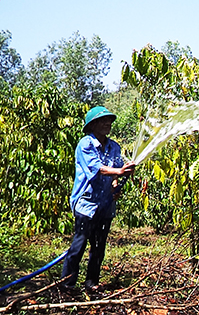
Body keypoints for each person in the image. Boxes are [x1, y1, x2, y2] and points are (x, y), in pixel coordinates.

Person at [61, 106, 135, 292]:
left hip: (105, 204)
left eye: (109, 121)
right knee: (79, 243)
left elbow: (115, 172)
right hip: (86, 203)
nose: (107, 124)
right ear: (93, 125)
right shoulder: (85, 144)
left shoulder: (114, 146)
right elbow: (97, 168)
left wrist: (115, 185)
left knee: (99, 246)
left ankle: (91, 283)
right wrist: (118, 171)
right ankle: (67, 284)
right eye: (103, 121)